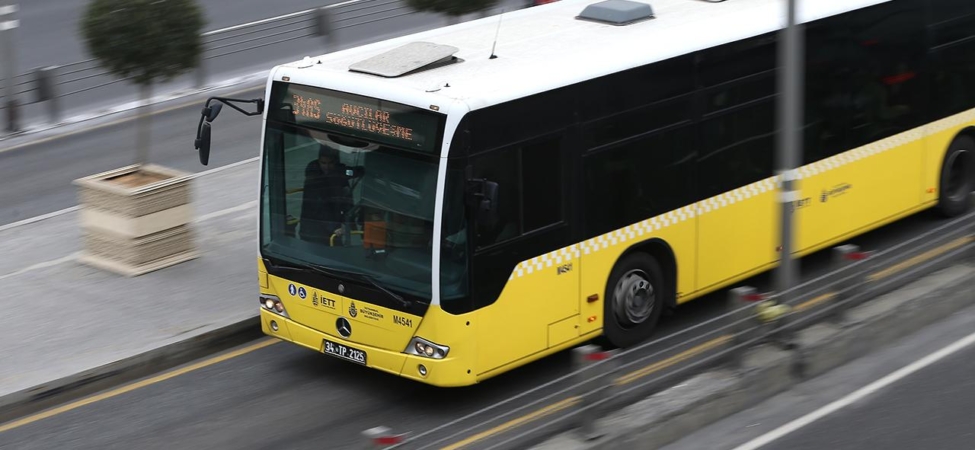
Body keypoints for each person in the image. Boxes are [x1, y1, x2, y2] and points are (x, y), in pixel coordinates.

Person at [300, 145, 352, 245]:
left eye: (330, 163)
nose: (326, 167)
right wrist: (334, 227)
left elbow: (349, 172)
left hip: (333, 224)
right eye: (323, 163)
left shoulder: (338, 171)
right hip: (314, 229)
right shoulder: (314, 176)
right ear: (318, 161)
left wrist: (359, 170)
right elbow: (320, 206)